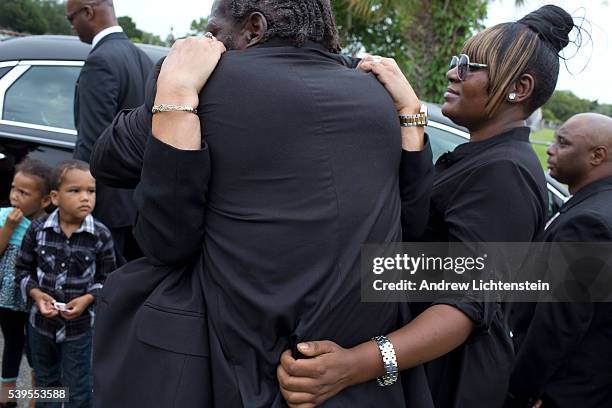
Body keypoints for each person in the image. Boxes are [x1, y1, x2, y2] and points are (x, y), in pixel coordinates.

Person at [89, 0, 434, 407]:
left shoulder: (204, 86)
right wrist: (411, 115)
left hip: (226, 370)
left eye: (214, 32)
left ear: (253, 28)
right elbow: (411, 228)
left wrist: (175, 89)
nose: (208, 42)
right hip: (344, 378)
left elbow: (163, 237)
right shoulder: (379, 94)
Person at [277, 5, 575, 408]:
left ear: (518, 88)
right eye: (456, 62)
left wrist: (353, 364)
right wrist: (410, 116)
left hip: (446, 380)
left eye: (470, 66)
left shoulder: (506, 172)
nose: (454, 73)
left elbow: (464, 305)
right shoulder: (482, 156)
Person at [506, 113, 612, 408]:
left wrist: (521, 389)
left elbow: (558, 324)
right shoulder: (597, 206)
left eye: (562, 143)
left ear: (597, 156)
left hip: (560, 392)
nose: (550, 149)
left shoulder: (590, 223)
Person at [14, 160, 116, 408]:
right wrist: (37, 295)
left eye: (91, 191)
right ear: (55, 197)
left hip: (79, 330)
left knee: (77, 389)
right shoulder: (38, 230)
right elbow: (22, 272)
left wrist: (88, 299)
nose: (85, 198)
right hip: (41, 327)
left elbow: (107, 280)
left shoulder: (100, 235)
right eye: (75, 191)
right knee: (47, 386)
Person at [67, 0, 152, 264]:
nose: (72, 27)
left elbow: (92, 143)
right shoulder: (142, 58)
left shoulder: (100, 61)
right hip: (138, 202)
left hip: (104, 205)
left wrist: (76, 200)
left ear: (88, 12)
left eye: (71, 18)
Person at [0, 160, 52, 408]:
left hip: (34, 299)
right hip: (9, 296)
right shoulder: (3, 216)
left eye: (24, 192)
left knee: (36, 352)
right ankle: (7, 397)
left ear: (44, 201)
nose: (14, 196)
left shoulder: (47, 227)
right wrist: (8, 228)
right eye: (13, 189)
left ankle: (36, 400)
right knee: (12, 344)